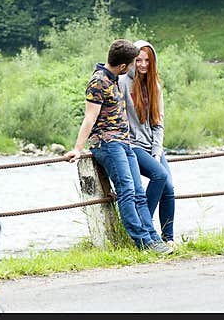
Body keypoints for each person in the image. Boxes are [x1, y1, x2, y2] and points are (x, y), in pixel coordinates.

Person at [65, 39, 173, 255]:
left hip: (124, 143)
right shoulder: (98, 82)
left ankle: (153, 238)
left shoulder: (113, 79)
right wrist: (78, 148)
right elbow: (89, 118)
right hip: (108, 143)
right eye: (134, 63)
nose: (135, 67)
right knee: (126, 191)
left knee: (138, 193)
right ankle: (143, 242)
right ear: (124, 66)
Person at [119, 39, 176, 245]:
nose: (143, 65)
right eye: (139, 60)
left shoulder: (155, 86)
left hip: (152, 146)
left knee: (168, 188)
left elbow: (158, 123)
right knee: (159, 175)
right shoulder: (123, 82)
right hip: (133, 145)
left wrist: (157, 151)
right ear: (132, 60)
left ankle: (168, 238)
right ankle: (145, 227)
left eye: (147, 61)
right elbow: (120, 117)